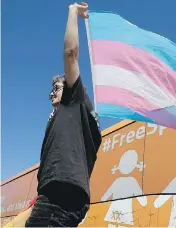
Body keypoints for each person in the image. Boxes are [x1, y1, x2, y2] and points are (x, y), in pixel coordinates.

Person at [25, 2, 102, 227]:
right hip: (57, 198)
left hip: (58, 200)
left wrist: (72, 12)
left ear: (70, 89)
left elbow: (71, 54)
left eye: (56, 89)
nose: (51, 96)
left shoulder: (73, 100)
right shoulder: (76, 116)